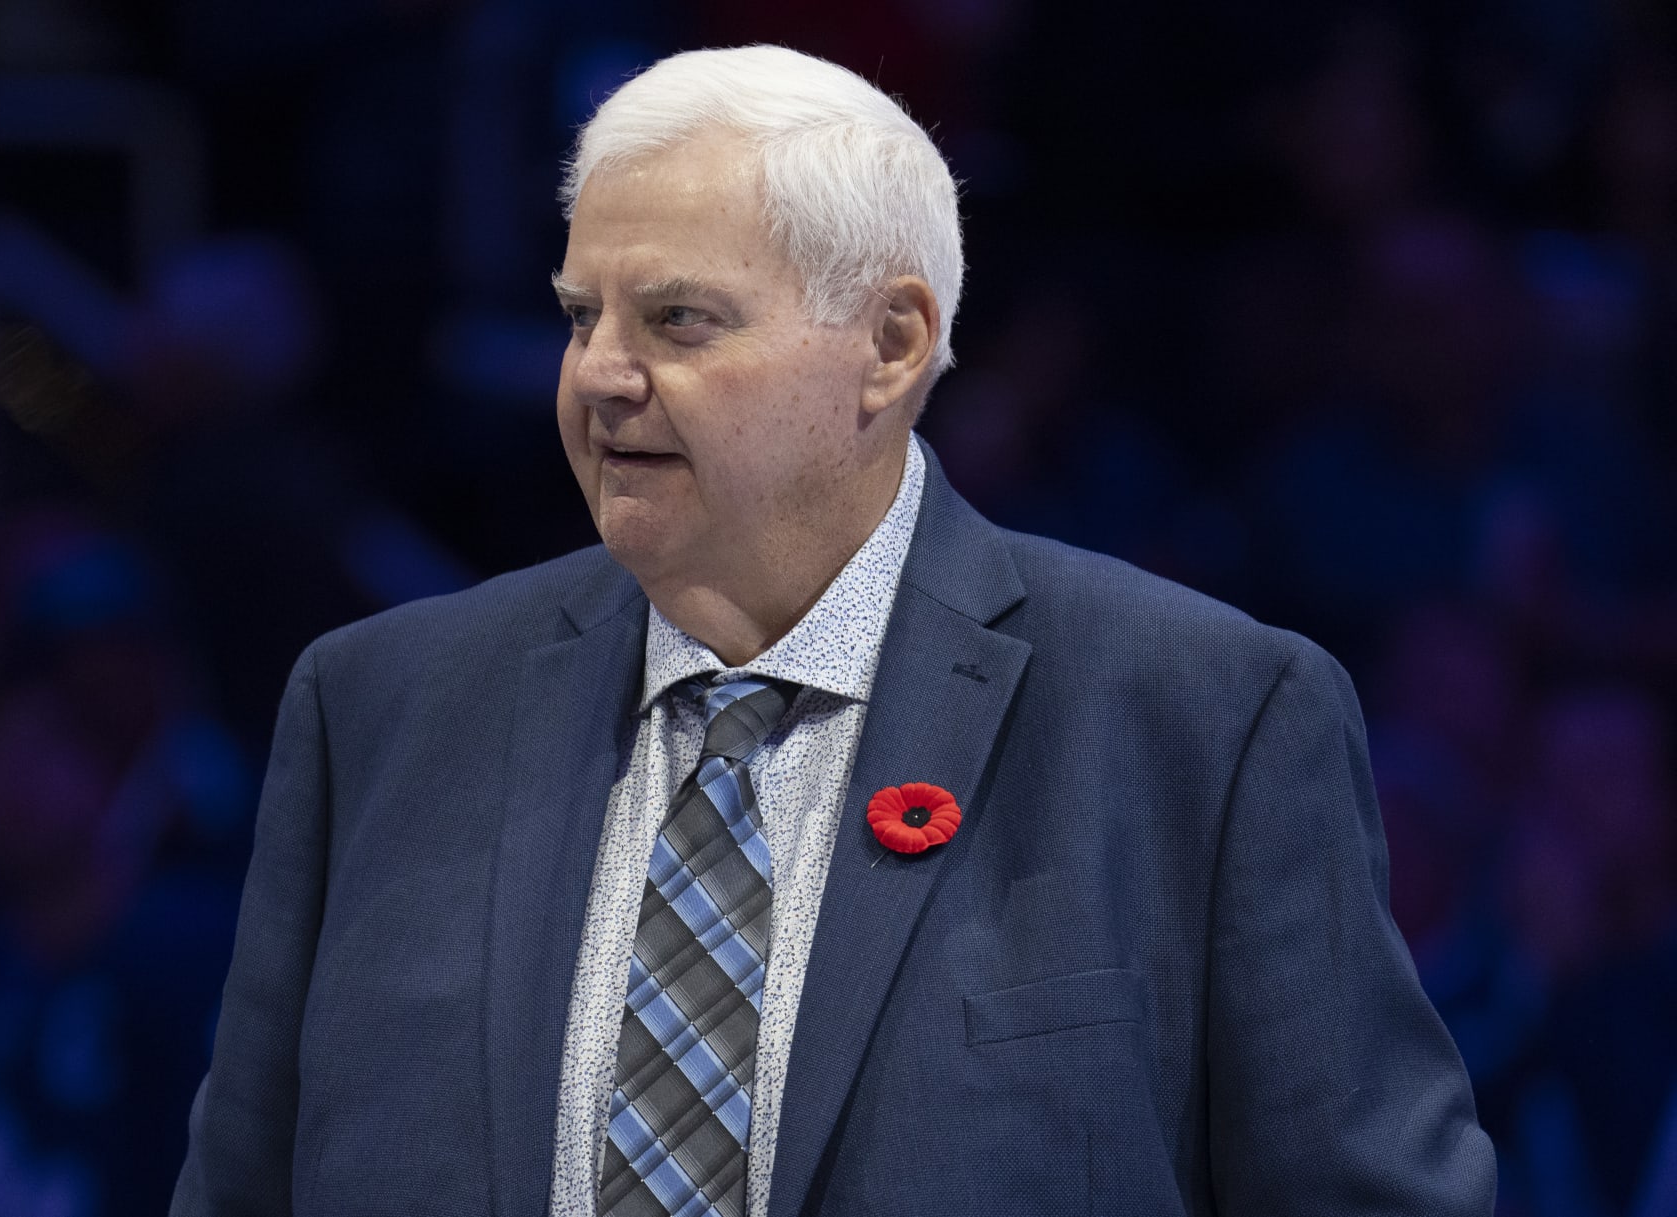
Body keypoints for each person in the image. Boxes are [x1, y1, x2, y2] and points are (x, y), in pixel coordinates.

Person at [172, 45, 1495, 1217]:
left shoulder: (1207, 717)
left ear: (892, 343)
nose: (601, 375)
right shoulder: (375, 709)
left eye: (677, 318)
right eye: (583, 317)